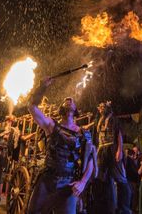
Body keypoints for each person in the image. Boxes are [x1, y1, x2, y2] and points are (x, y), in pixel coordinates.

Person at [26, 78, 96, 214]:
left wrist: (82, 182)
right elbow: (31, 107)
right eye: (66, 100)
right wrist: (42, 88)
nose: (69, 99)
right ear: (61, 108)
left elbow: (91, 160)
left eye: (72, 101)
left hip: (68, 183)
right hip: (47, 180)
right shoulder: (51, 125)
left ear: (75, 109)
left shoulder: (83, 133)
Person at [93, 101, 131, 214]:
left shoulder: (113, 119)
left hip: (112, 148)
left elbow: (118, 134)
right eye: (99, 107)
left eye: (102, 107)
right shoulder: (99, 120)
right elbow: (95, 130)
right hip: (102, 149)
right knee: (101, 177)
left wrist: (119, 150)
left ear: (106, 108)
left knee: (120, 178)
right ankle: (106, 206)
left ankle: (124, 209)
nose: (99, 109)